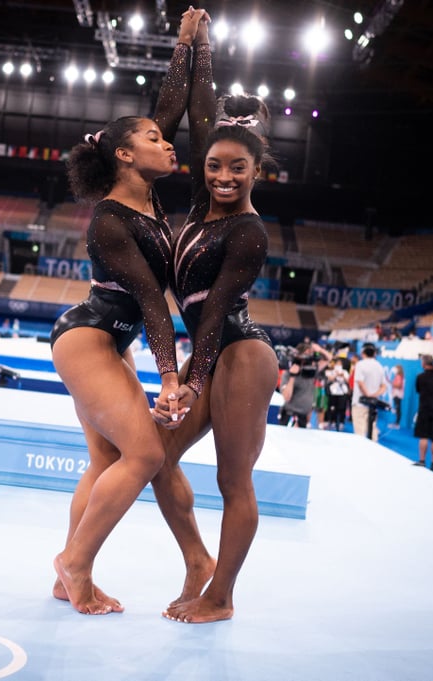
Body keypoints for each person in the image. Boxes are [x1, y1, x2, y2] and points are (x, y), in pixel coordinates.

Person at [49, 8, 205, 616]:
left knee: (107, 459)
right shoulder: (112, 220)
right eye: (153, 140)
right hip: (89, 336)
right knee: (143, 455)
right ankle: (77, 566)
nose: (167, 143)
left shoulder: (145, 193)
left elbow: (166, 107)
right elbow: (149, 301)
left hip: (107, 341)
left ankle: (67, 573)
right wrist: (171, 377)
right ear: (123, 154)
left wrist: (188, 46)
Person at [147, 14, 281, 624]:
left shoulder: (249, 233)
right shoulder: (201, 207)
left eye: (238, 169)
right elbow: (203, 115)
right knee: (152, 457)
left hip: (240, 353)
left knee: (234, 481)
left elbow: (218, 313)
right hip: (210, 350)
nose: (224, 176)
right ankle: (199, 561)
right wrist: (196, 47)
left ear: (258, 171)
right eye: (215, 167)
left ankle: (222, 597)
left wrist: (187, 382)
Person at [351, 343, 388, 441]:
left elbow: (360, 382)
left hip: (359, 403)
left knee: (360, 431)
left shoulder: (360, 364)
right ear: (374, 353)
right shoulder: (379, 366)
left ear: (362, 353)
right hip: (373, 404)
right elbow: (384, 386)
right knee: (372, 430)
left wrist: (367, 394)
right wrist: (375, 395)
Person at [324, 357, 351, 431]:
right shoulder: (331, 371)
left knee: (341, 408)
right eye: (337, 363)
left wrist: (343, 376)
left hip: (342, 392)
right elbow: (329, 378)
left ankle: (341, 422)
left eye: (340, 364)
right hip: (333, 392)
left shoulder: (345, 372)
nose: (338, 365)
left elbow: (349, 381)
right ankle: (331, 421)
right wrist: (336, 374)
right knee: (332, 407)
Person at [388, 364, 405, 429]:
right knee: (397, 409)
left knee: (398, 409)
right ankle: (396, 423)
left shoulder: (399, 376)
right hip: (397, 394)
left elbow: (399, 385)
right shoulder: (399, 376)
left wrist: (392, 384)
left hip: (397, 395)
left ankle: (397, 424)